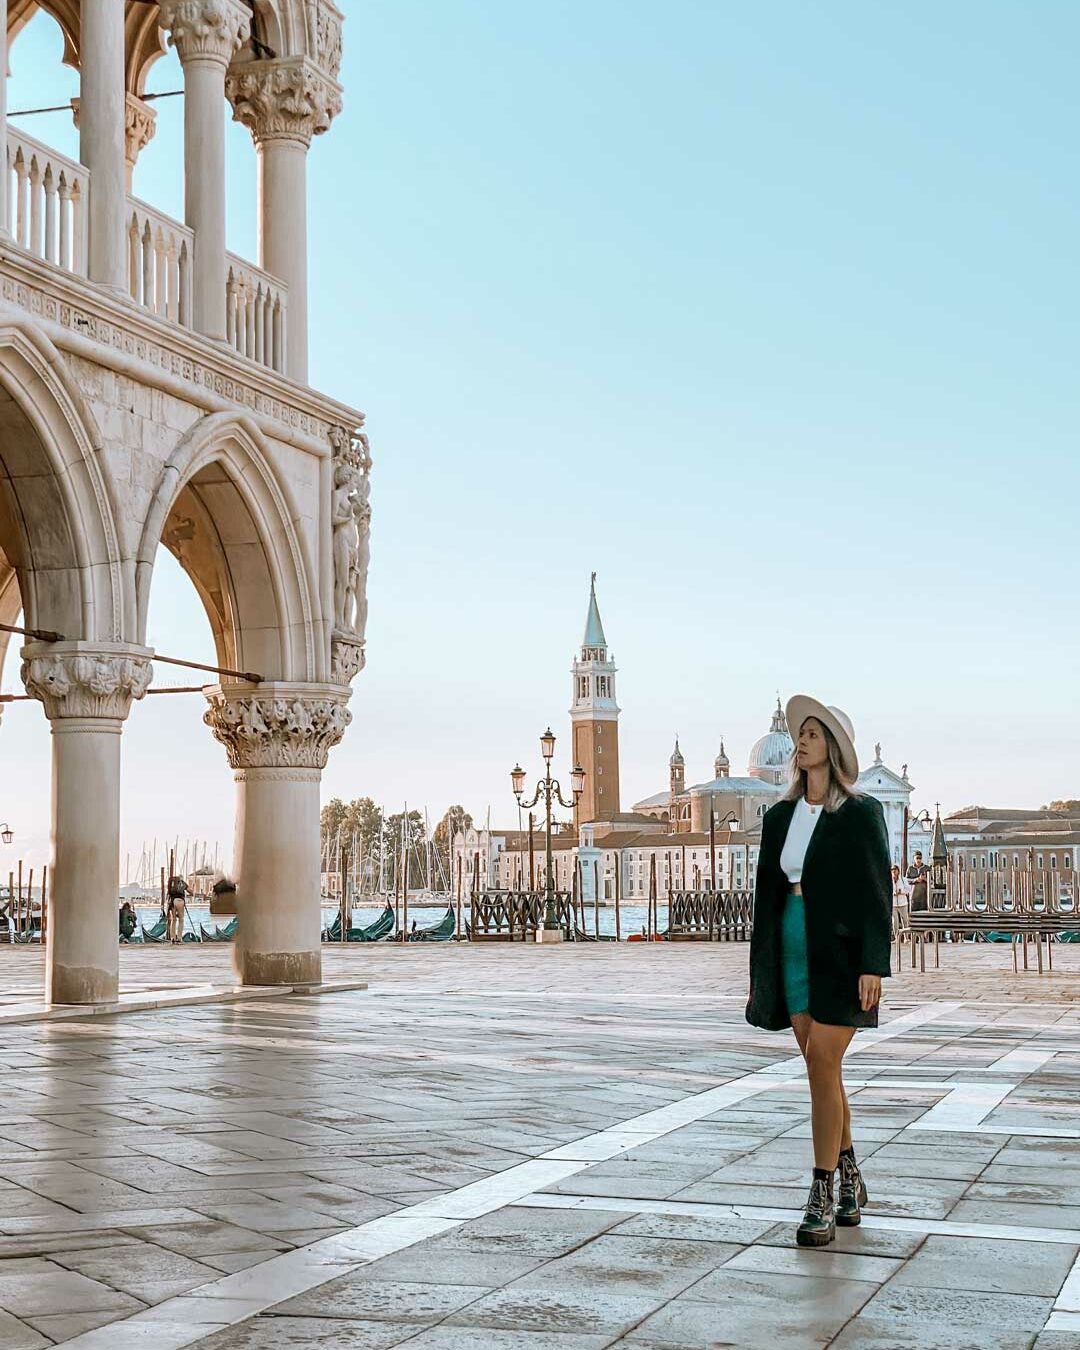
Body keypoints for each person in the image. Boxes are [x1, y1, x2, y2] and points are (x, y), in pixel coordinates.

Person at [746, 696, 892, 1249]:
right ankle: (851, 1177)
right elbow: (767, 896)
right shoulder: (780, 816)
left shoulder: (860, 813)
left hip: (840, 953)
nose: (801, 742)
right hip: (791, 943)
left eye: (811, 734)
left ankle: (821, 1192)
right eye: (800, 734)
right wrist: (762, 969)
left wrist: (873, 964)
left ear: (831, 747)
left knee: (824, 1062)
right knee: (820, 1069)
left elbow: (875, 893)